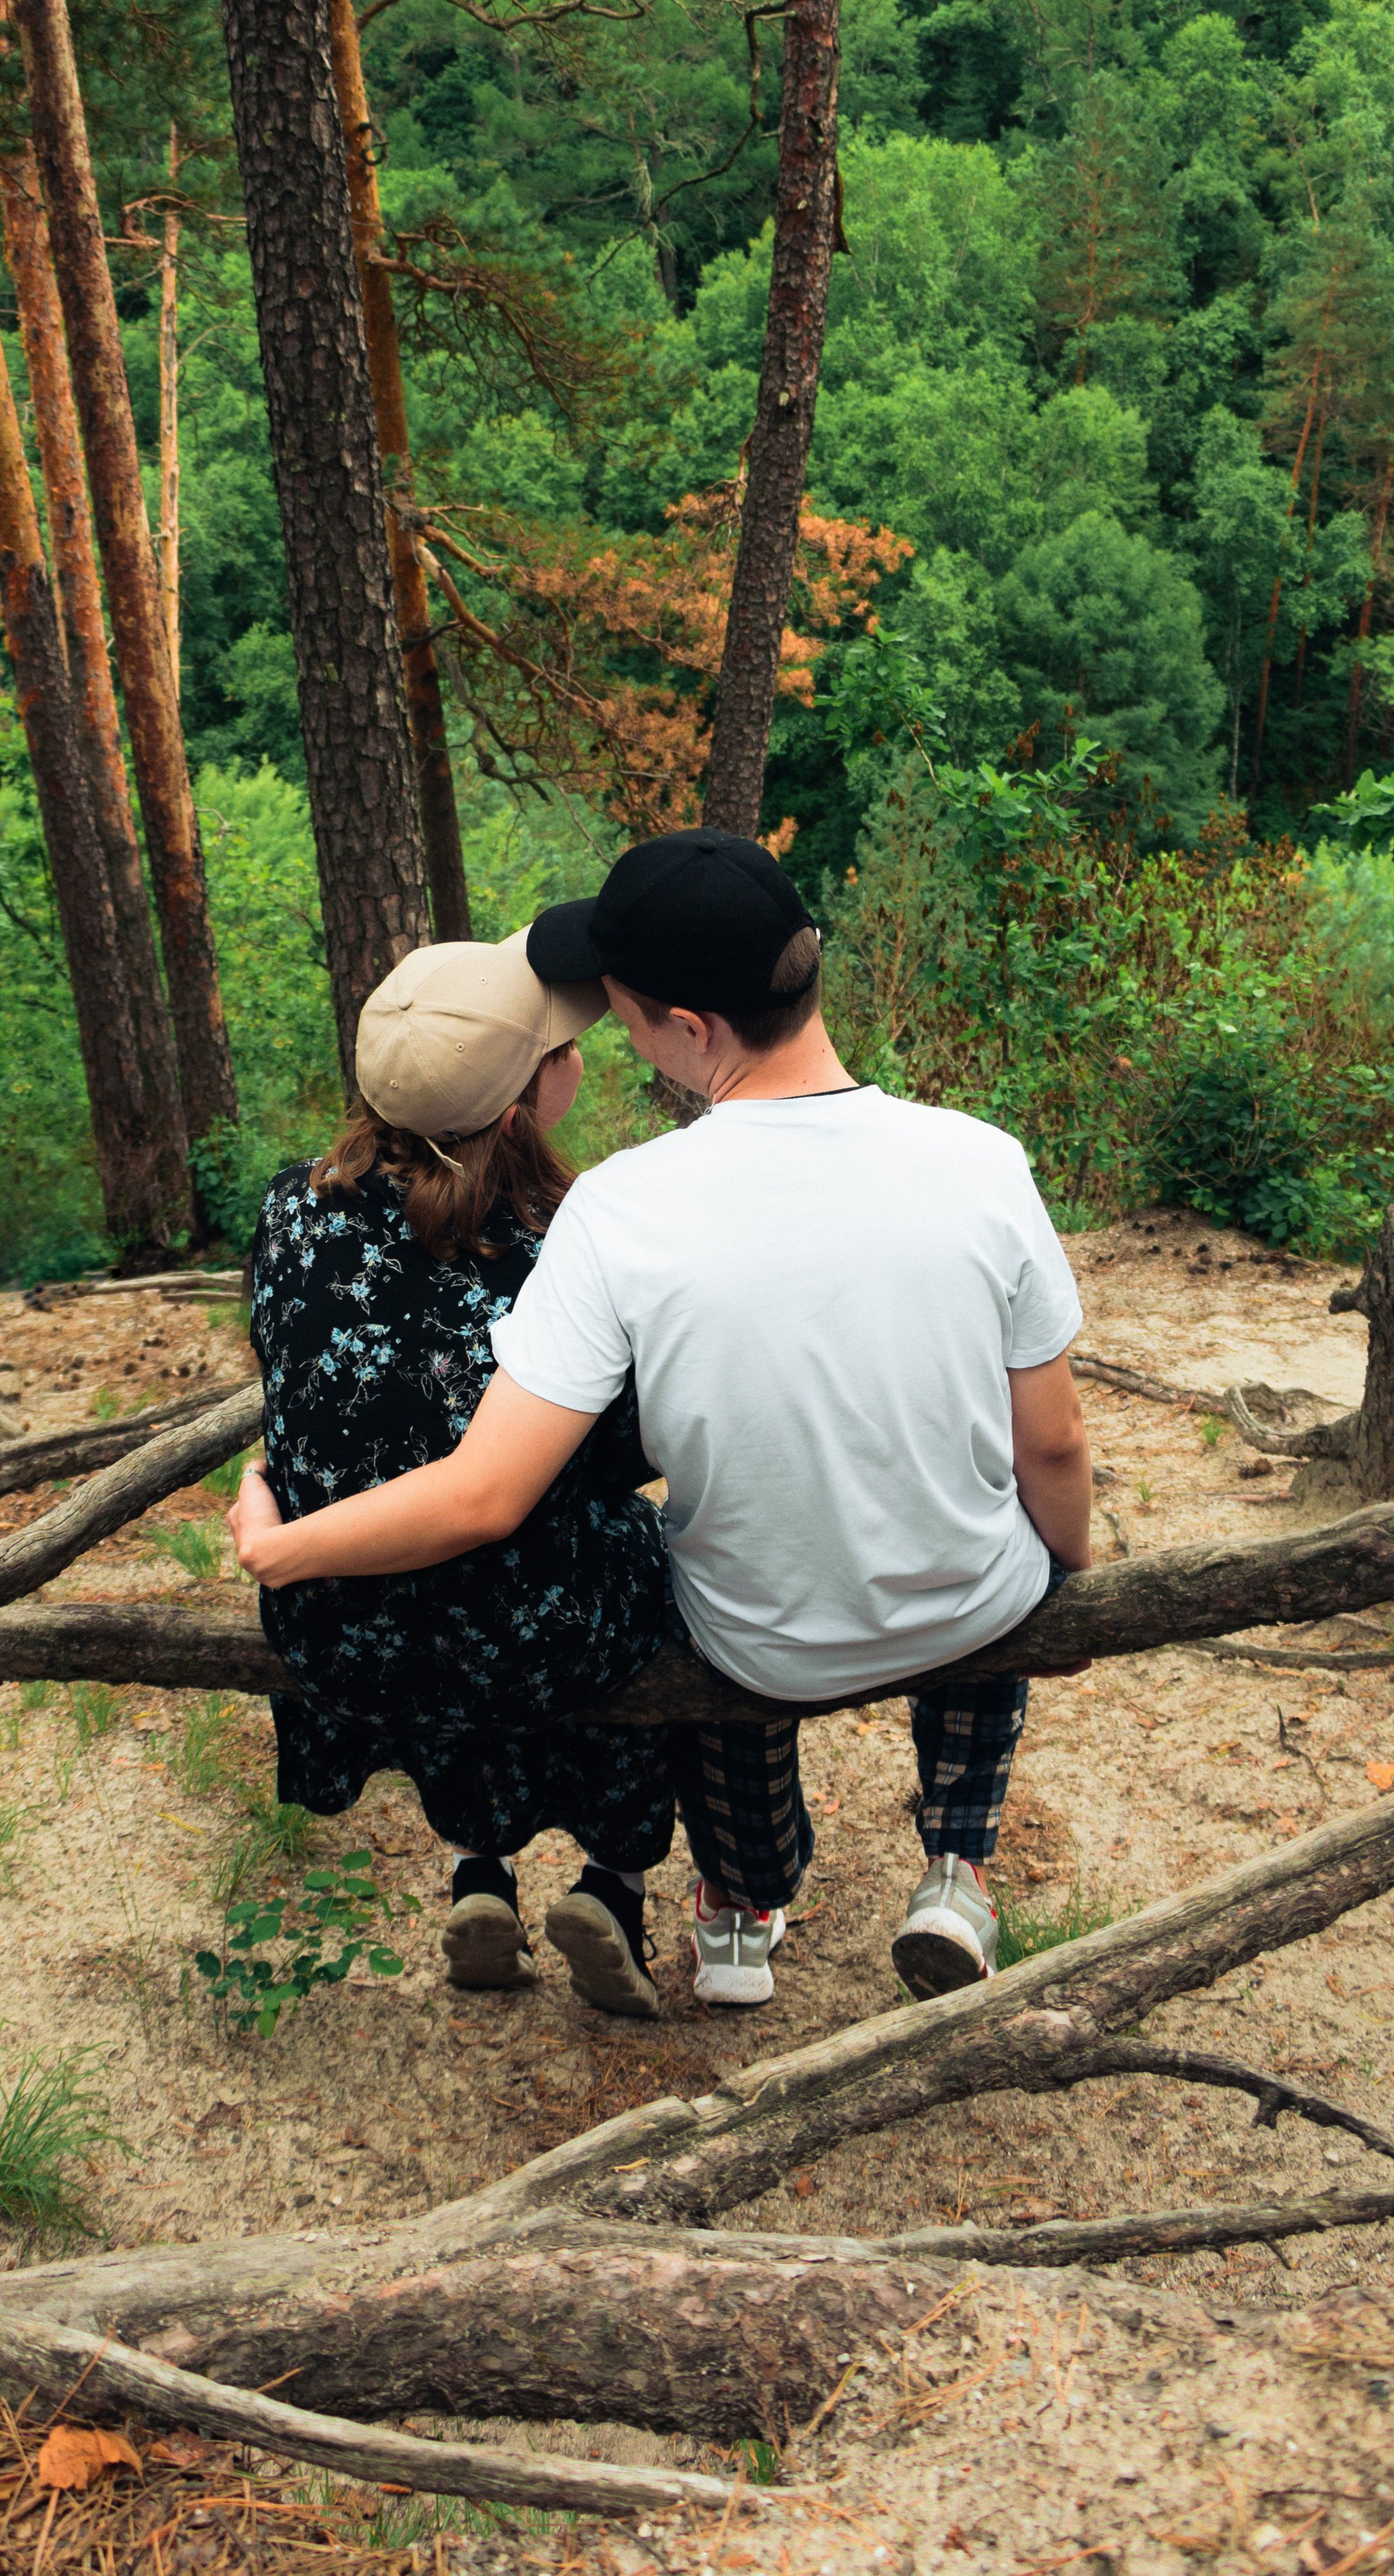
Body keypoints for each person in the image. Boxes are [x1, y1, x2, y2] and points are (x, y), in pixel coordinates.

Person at [235, 829, 1094, 2013]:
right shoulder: (985, 1162)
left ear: (691, 1030)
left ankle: (741, 1898)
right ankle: (956, 1870)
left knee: (700, 1573)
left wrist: (282, 1547)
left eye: (626, 1016)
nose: (612, 1036)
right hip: (970, 1607)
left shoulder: (623, 1207)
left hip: (764, 1640)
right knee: (993, 1548)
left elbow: (487, 1490)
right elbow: (1053, 1443)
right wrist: (1069, 1577)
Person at [241, 926, 678, 2020]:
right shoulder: (563, 1239)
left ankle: (480, 1872)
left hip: (335, 1624)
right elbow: (622, 1452)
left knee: (482, 1577)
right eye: (563, 1048)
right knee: (638, 1562)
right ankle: (613, 1886)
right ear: (523, 1106)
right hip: (515, 1630)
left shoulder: (290, 1210)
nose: (581, 1055)